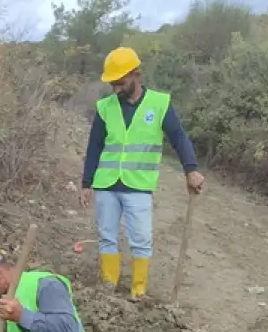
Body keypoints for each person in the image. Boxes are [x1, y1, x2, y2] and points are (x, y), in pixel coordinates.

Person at [79, 46, 206, 300]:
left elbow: (179, 138)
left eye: (120, 82)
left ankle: (138, 291)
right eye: (112, 83)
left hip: (138, 186)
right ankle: (108, 287)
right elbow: (94, 146)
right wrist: (86, 183)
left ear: (136, 74)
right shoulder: (105, 107)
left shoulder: (159, 104)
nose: (115, 88)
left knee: (140, 240)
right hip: (106, 183)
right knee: (106, 237)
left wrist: (191, 170)